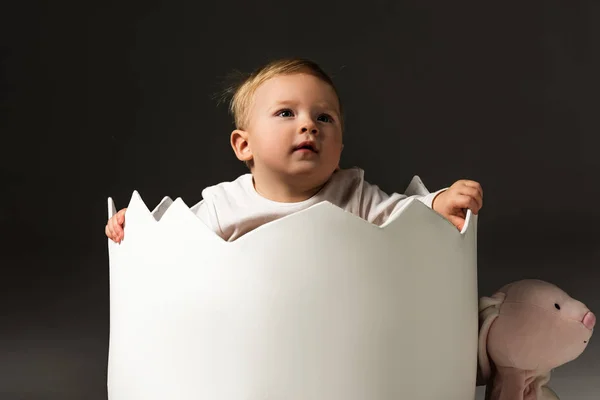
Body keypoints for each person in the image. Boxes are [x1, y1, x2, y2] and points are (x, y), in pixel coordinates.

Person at [105, 58, 483, 243]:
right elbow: (177, 238)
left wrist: (438, 203)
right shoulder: (224, 204)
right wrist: (135, 228)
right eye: (286, 113)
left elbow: (402, 215)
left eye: (325, 118)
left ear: (341, 145)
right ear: (244, 144)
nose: (309, 125)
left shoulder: (354, 194)